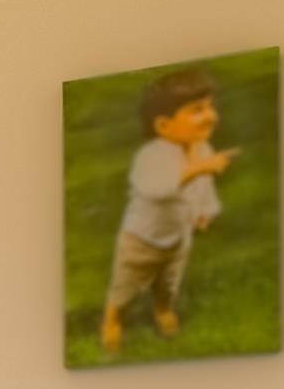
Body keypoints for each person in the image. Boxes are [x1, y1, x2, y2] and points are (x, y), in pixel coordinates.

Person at [100, 68, 235, 353]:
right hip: (142, 238)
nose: (210, 115)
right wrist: (197, 169)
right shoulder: (151, 156)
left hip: (178, 236)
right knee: (126, 283)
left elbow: (202, 187)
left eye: (210, 107)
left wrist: (205, 211)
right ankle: (114, 318)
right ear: (164, 125)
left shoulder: (203, 149)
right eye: (197, 110)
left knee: (168, 280)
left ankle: (162, 308)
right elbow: (155, 188)